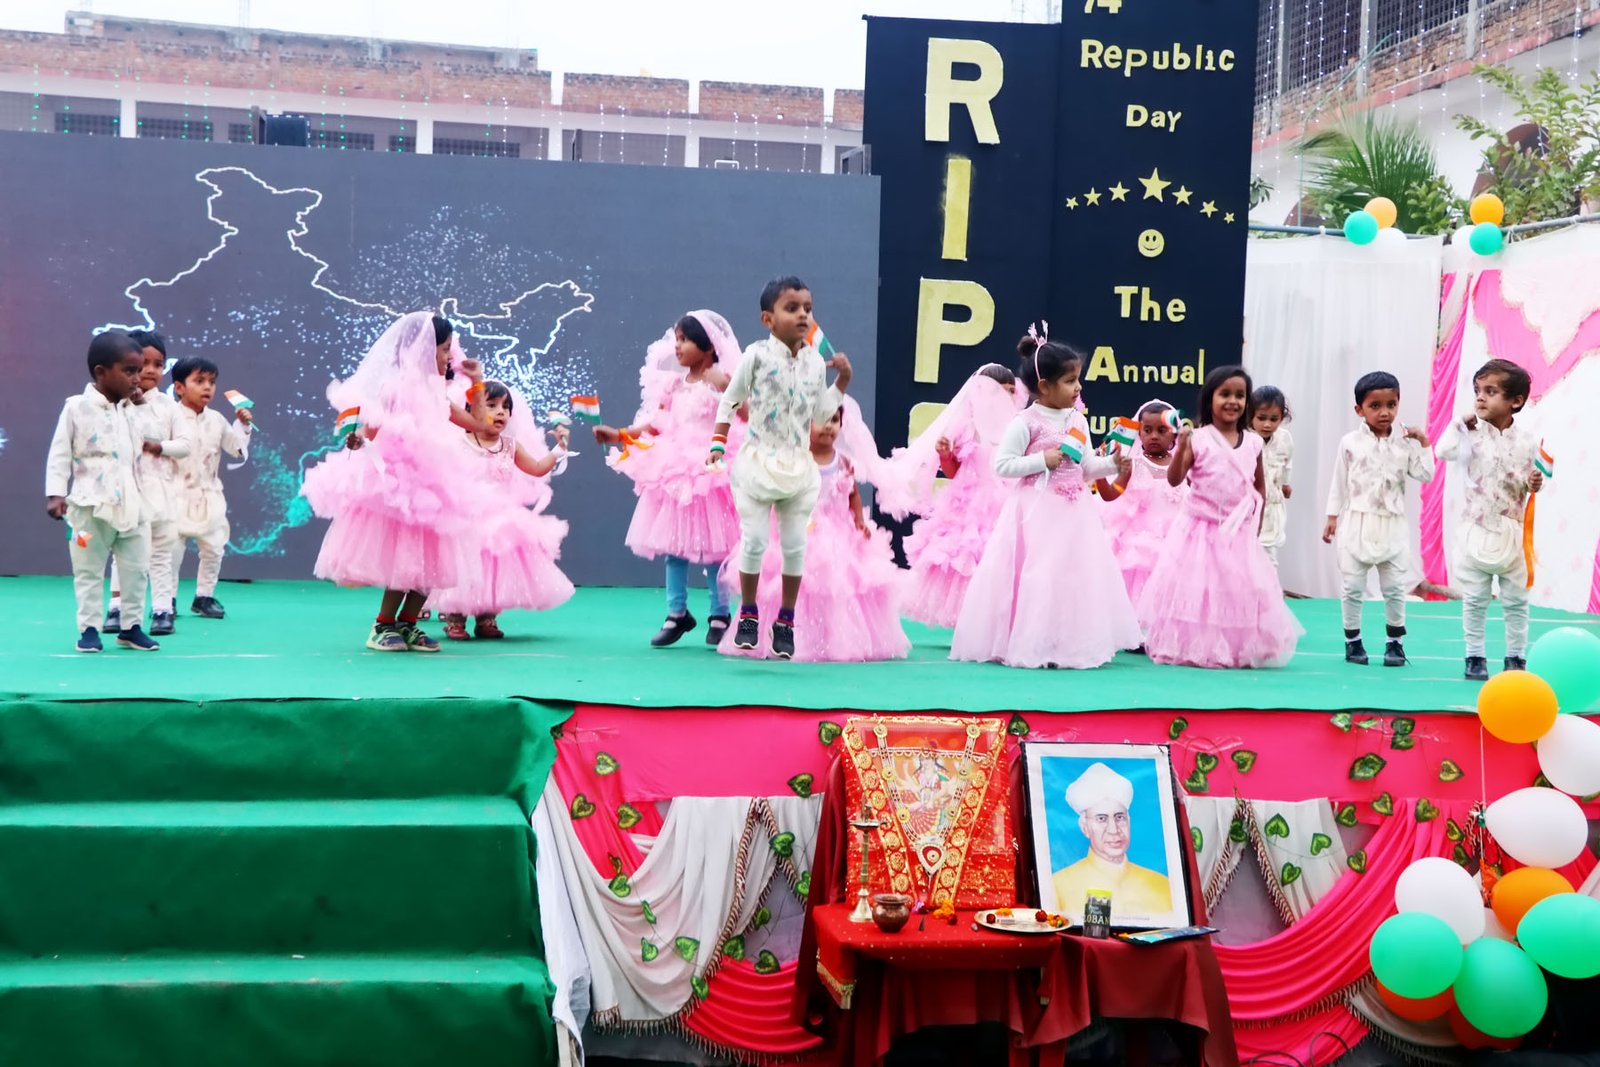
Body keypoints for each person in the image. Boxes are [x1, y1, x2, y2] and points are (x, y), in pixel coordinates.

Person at [301, 311, 493, 652]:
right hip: (401, 487)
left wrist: (477, 383)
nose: (449, 357)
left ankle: (409, 622)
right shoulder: (395, 389)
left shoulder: (439, 393)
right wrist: (357, 439)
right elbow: (370, 428)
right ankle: (383, 624)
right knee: (407, 556)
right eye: (444, 349)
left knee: (433, 556)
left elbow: (479, 424)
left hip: (438, 486)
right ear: (424, 350)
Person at [950, 332, 1140, 669]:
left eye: (1078, 379)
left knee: (1072, 576)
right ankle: (1031, 643)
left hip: (1074, 514)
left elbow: (1084, 467)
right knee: (1039, 574)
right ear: (1045, 386)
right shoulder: (1025, 422)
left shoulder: (1077, 419)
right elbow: (1003, 465)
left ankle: (1068, 644)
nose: (1078, 387)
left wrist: (1112, 464)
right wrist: (1041, 460)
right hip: (1036, 513)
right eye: (1070, 381)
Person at [709, 276, 851, 660]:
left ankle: (786, 620)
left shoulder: (814, 364)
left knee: (794, 545)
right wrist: (718, 442)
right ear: (768, 319)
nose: (803, 315)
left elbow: (821, 412)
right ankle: (748, 611)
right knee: (754, 540)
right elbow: (730, 400)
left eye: (808, 308)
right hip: (757, 464)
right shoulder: (755, 356)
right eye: (792, 308)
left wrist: (841, 381)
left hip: (798, 467)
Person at [1137, 366, 1303, 668]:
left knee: (1234, 592)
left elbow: (1259, 487)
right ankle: (1195, 647)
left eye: (1239, 395)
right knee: (1199, 592)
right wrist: (1182, 446)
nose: (1232, 401)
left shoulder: (1253, 442)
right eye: (1224, 394)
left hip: (1237, 531)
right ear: (1209, 399)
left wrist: (1255, 528)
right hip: (1198, 531)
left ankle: (1233, 647)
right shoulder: (1198, 439)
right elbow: (1175, 479)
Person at [594, 311, 742, 647]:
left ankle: (720, 614)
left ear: (708, 346)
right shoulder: (673, 386)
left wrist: (726, 386)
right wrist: (618, 434)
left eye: (685, 340)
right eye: (676, 340)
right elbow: (654, 425)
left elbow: (745, 415)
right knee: (674, 546)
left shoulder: (722, 380)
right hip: (677, 472)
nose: (677, 347)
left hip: (711, 471)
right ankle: (677, 612)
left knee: (716, 547)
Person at [720, 398, 909, 662]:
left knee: (836, 585)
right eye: (821, 420)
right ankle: (785, 634)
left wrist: (858, 520)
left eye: (834, 420)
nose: (829, 427)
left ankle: (831, 640)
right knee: (796, 581)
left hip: (837, 535)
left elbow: (852, 493)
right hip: (797, 528)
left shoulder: (843, 462)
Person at [876, 363, 1022, 629]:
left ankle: (997, 620)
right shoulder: (969, 427)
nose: (1008, 397)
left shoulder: (1018, 427)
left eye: (1011, 391)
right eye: (1001, 391)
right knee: (967, 560)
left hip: (1006, 502)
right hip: (969, 504)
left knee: (1002, 559)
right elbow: (955, 471)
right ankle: (971, 619)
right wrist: (945, 455)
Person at [44, 330, 160, 652]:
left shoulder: (133, 407)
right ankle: (89, 629)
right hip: (89, 504)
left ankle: (131, 627)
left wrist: (141, 407)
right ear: (101, 372)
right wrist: (55, 494)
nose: (137, 378)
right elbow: (59, 452)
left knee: (137, 569)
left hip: (133, 503)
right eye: (130, 370)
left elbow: (155, 438)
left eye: (139, 370)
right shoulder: (76, 407)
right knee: (88, 569)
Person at [432, 380, 574, 639]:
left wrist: (559, 449)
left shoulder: (510, 445)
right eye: (492, 405)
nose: (500, 412)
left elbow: (537, 468)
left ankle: (487, 616)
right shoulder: (459, 442)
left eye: (505, 407)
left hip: (500, 521)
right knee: (465, 567)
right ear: (470, 411)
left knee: (494, 569)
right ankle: (456, 618)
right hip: (466, 519)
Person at [1434, 358, 1543, 681]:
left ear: (1515, 401)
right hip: (1476, 530)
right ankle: (1475, 656)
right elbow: (1442, 451)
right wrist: (1458, 424)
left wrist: (1535, 483)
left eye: (1490, 391)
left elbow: (1527, 482)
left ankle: (1516, 657)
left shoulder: (1527, 442)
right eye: (1477, 391)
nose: (1480, 397)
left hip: (1513, 534)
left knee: (1516, 601)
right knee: (1475, 599)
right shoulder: (1469, 436)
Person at [1322, 371, 1434, 667]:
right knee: (1352, 587)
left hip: (1392, 525)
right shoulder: (1350, 442)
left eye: (1391, 404)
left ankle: (1395, 644)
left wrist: (1423, 443)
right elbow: (1339, 481)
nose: (1384, 412)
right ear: (1359, 409)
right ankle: (1353, 642)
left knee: (1395, 588)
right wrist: (1332, 516)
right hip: (1357, 523)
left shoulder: (1404, 443)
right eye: (1375, 406)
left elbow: (1426, 474)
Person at [168, 356, 253, 620]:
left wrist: (243, 425)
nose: (207, 387)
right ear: (179, 387)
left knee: (214, 547)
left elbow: (236, 449)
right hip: (174, 494)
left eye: (212, 382)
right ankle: (166, 601)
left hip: (209, 495)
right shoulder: (169, 418)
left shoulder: (217, 420)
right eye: (199, 381)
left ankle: (204, 596)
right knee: (171, 551)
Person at [1095, 398, 1188, 610]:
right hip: (1139, 547)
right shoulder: (1132, 465)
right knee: (1138, 599)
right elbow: (1111, 494)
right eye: (1147, 430)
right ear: (1139, 433)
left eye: (1162, 430)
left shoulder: (1182, 465)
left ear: (1175, 434)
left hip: (1175, 545)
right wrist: (1100, 474)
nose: (1154, 435)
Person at [1050, 761, 1173, 919]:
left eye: (1119, 817)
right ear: (1085, 827)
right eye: (1101, 819)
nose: (1114, 830)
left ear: (1129, 821)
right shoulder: (1058, 886)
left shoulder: (1163, 885)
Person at [1251, 385, 1294, 568]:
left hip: (1272, 506)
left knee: (1269, 558)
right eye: (1261, 418)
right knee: (1245, 557)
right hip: (1248, 507)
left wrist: (1285, 484)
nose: (1267, 424)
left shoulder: (1285, 438)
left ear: (1282, 418)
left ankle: (1270, 587)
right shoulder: (1245, 438)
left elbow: (1287, 462)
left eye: (1273, 419)